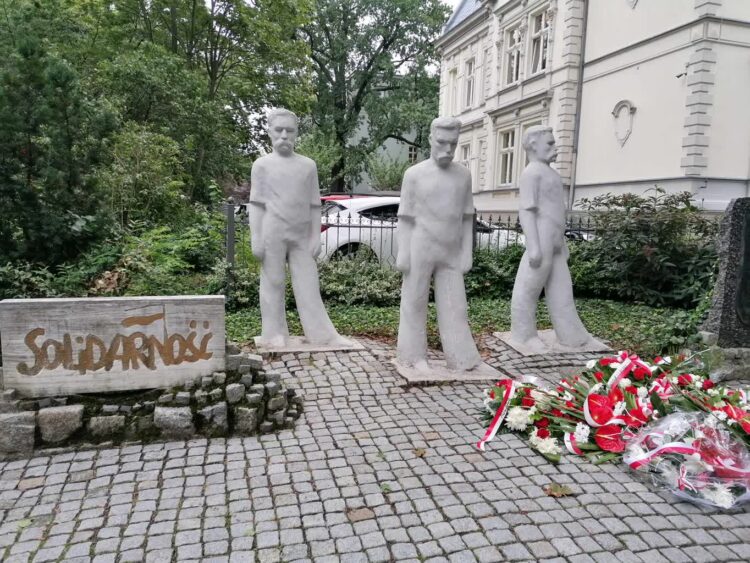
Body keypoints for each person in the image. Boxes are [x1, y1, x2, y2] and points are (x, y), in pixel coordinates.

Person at [249, 108, 347, 348]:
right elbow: (256, 205)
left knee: (308, 283)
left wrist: (316, 236)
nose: (284, 135)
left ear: (296, 133)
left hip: (301, 235)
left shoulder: (307, 166)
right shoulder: (262, 166)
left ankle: (321, 334)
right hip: (273, 232)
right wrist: (256, 237)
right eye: (278, 130)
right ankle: (273, 333)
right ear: (269, 132)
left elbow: (315, 205)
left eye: (289, 130)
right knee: (273, 281)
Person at [509, 125, 606, 354]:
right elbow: (526, 211)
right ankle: (523, 335)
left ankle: (573, 336)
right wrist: (533, 245)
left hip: (555, 241)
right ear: (534, 146)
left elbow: (556, 211)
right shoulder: (531, 173)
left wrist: (561, 244)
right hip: (541, 239)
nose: (556, 147)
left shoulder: (551, 174)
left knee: (562, 289)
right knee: (528, 288)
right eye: (550, 143)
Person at [396, 117, 481, 372]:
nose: (448, 149)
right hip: (420, 247)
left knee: (456, 305)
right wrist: (403, 252)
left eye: (453, 144)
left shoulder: (463, 175)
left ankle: (460, 356)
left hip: (451, 250)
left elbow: (467, 217)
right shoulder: (414, 175)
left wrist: (467, 252)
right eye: (442, 142)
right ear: (431, 139)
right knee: (414, 301)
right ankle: (413, 356)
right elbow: (405, 218)